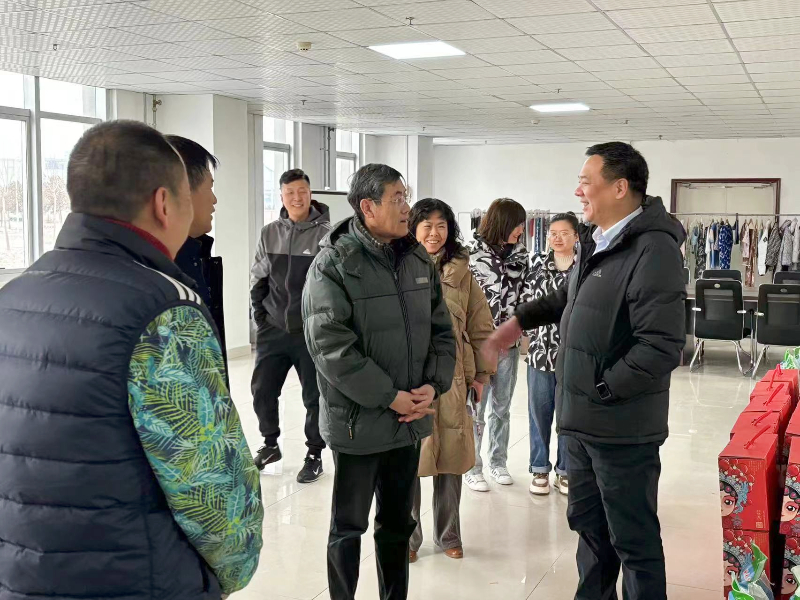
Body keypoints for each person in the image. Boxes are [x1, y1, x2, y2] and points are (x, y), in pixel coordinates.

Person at [0, 120, 263, 599]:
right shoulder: (162, 313)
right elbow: (212, 489)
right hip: (139, 578)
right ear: (164, 203)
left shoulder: (13, 298)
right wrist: (226, 577)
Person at [484, 142, 686, 600]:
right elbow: (567, 298)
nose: (578, 191)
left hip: (621, 429)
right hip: (581, 423)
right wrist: (516, 323)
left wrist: (602, 389)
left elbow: (660, 346)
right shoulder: (599, 240)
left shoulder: (653, 250)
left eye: (585, 182)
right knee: (591, 534)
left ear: (619, 187)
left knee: (632, 540)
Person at [302, 164, 456, 600]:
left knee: (397, 525)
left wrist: (433, 385)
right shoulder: (334, 263)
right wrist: (390, 397)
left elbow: (441, 331)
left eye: (406, 196)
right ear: (368, 207)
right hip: (359, 423)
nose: (407, 207)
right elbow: (331, 347)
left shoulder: (416, 259)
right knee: (348, 527)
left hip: (408, 421)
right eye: (398, 199)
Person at [408, 198, 495, 562]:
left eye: (441, 225)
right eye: (426, 225)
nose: (434, 233)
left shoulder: (462, 272)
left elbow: (481, 325)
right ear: (413, 228)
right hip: (411, 377)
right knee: (410, 459)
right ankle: (408, 538)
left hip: (454, 378)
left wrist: (482, 374)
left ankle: (449, 535)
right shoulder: (398, 266)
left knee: (452, 455)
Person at [250, 168, 330, 483]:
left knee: (314, 397)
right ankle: (270, 444)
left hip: (310, 331)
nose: (296, 198)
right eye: (289, 193)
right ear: (282, 197)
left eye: (302, 191)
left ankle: (314, 454)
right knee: (262, 390)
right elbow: (258, 278)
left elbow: (334, 284)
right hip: (273, 329)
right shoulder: (269, 232)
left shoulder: (327, 234)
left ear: (310, 194)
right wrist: (260, 318)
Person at [466, 197, 531, 491]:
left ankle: (498, 462)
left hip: (509, 346)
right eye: (518, 225)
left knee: (502, 408)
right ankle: (473, 467)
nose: (521, 230)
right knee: (476, 409)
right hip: (480, 345)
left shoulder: (522, 257)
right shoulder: (472, 256)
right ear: (504, 223)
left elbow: (526, 297)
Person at [525, 212, 579, 496]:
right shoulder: (535, 265)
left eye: (564, 233)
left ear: (576, 236)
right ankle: (539, 469)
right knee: (539, 414)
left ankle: (565, 470)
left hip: (573, 356)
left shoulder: (585, 268)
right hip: (540, 353)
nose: (557, 238)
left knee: (569, 417)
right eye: (553, 233)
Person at [167, 135, 227, 356]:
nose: (214, 200)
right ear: (183, 190)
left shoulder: (193, 255)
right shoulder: (162, 277)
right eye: (210, 187)